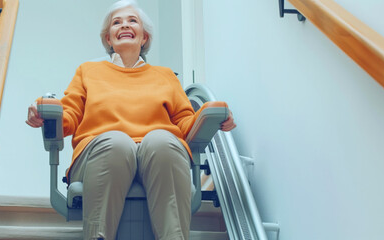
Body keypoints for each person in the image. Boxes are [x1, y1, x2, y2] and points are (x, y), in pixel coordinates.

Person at [26, 1, 236, 239]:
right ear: (108, 38)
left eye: (132, 20)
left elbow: (185, 122)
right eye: (117, 22)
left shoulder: (165, 76)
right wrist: (44, 112)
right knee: (117, 143)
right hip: (102, 153)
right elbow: (70, 113)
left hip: (159, 155)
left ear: (144, 37)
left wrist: (213, 117)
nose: (124, 25)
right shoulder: (88, 71)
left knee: (160, 140)